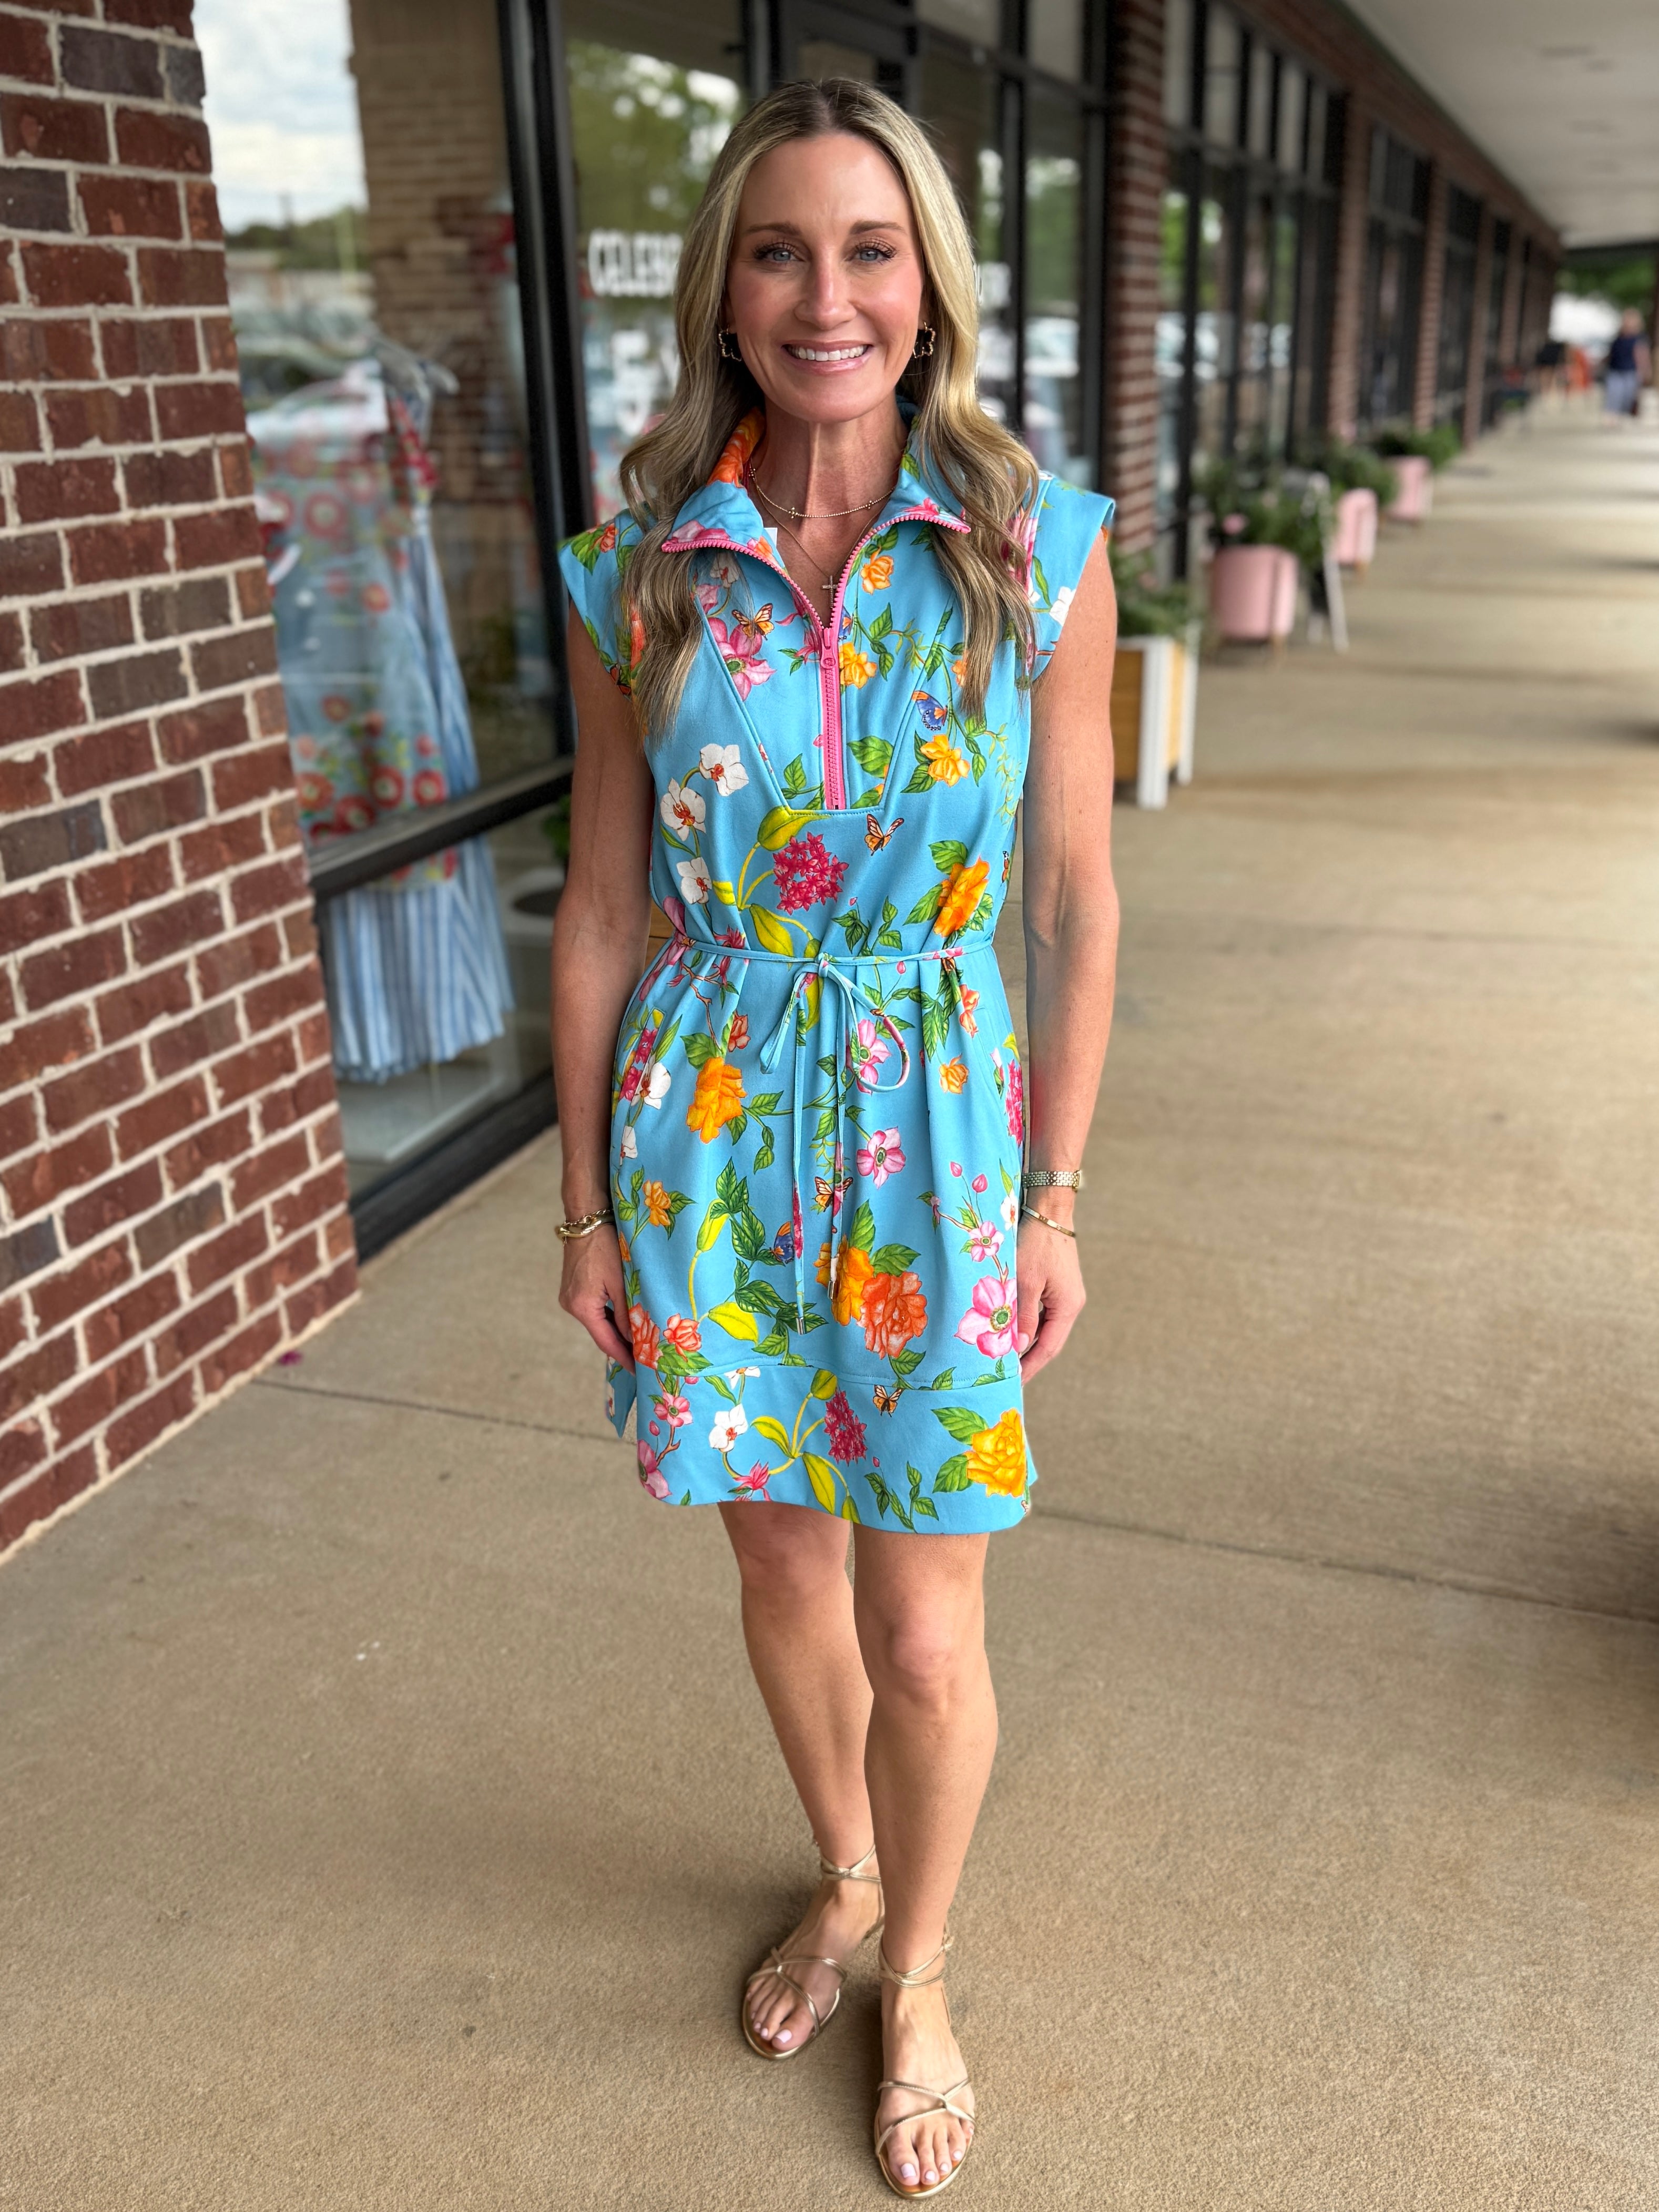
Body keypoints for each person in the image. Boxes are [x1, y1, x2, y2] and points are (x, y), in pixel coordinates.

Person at [550, 76, 1119, 2199]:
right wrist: (584, 1204)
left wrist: (1055, 1193)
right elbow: (597, 905)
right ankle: (846, 1865)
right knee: (778, 1555)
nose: (824, 297)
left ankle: (923, 1967)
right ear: (722, 289)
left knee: (927, 1625)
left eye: (868, 250)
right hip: (701, 1143)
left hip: (937, 1147)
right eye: (777, 251)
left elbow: (1073, 898)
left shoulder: (1032, 552)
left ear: (927, 284)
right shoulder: (639, 572)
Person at [1603, 309, 1651, 423]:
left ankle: (1623, 414)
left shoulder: (1639, 340)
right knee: (1614, 393)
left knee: (1628, 395)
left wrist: (1645, 371)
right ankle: (1612, 415)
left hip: (1631, 372)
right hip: (1615, 370)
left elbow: (1642, 357)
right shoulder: (1617, 339)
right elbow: (1611, 355)